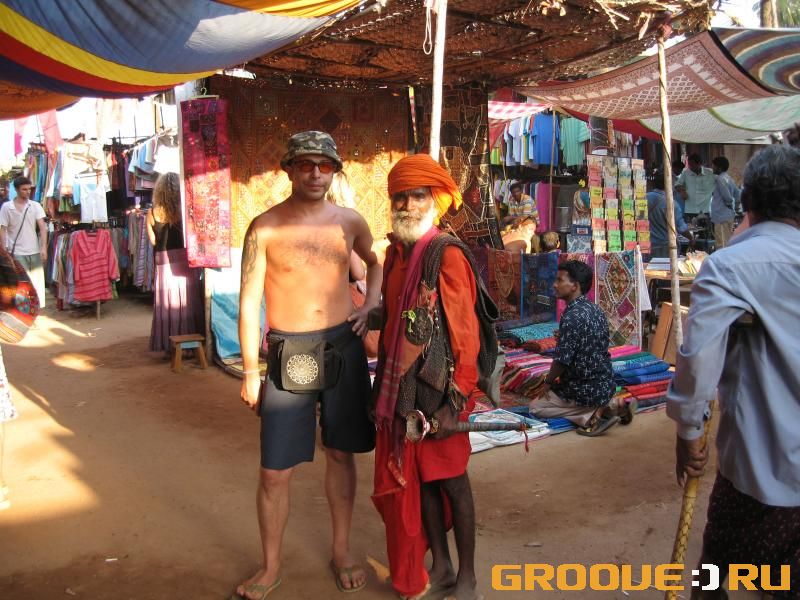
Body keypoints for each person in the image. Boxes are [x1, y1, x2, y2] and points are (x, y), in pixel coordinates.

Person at [236, 131, 380, 599]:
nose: (316, 174)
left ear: (335, 170)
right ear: (289, 170)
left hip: (343, 345)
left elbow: (375, 262)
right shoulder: (265, 228)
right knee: (275, 469)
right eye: (305, 164)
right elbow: (249, 302)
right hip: (292, 353)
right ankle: (270, 566)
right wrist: (250, 373)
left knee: (341, 452)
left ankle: (341, 552)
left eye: (325, 165)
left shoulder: (349, 222)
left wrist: (369, 305)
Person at [667, 144, 800, 598]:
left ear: (747, 202)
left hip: (761, 471)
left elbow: (698, 361)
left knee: (711, 575)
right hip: (770, 471)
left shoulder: (730, 266)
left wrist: (688, 432)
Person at [372, 154, 483, 600]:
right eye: (399, 196)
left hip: (441, 394)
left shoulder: (446, 254)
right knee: (424, 482)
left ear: (435, 199)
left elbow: (465, 334)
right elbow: (393, 321)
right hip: (405, 393)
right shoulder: (394, 254)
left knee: (452, 480)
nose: (407, 204)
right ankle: (442, 565)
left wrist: (458, 400)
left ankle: (468, 577)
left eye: (417, 195)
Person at [529, 260, 631, 436]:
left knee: (536, 408)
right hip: (605, 384)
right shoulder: (595, 309)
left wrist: (548, 382)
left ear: (574, 286)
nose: (554, 285)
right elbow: (590, 342)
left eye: (560, 280)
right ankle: (608, 404)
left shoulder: (571, 317)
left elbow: (561, 361)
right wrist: (565, 336)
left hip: (582, 390)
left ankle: (592, 415)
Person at [145, 172, 204, 353]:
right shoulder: (185, 210)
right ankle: (190, 342)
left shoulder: (152, 213)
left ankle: (167, 342)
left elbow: (153, 241)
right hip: (184, 259)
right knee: (187, 299)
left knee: (167, 301)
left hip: (163, 261)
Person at [0, 176, 48, 308]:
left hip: (34, 250)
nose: (27, 192)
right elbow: (3, 229)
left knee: (37, 282)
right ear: (16, 190)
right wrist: (4, 250)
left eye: (29, 189)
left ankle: (36, 308)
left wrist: (43, 248)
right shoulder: (7, 207)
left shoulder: (35, 206)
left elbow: (43, 228)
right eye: (24, 189)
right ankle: (24, 309)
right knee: (22, 283)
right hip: (17, 252)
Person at [647, 168, 694, 259]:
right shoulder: (672, 204)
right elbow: (681, 228)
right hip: (665, 246)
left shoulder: (644, 198)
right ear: (669, 184)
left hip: (646, 245)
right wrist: (691, 238)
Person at [709, 157, 739, 250]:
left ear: (720, 167)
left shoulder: (720, 179)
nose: (712, 168)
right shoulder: (729, 178)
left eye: (714, 166)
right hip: (728, 215)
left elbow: (727, 196)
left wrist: (729, 204)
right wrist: (736, 207)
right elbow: (737, 193)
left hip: (721, 216)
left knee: (721, 244)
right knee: (727, 242)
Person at [675, 153, 716, 219]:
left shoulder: (710, 173)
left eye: (692, 165)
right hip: (689, 210)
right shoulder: (686, 173)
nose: (690, 167)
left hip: (705, 210)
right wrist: (682, 190)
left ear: (699, 163)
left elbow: (721, 183)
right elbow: (677, 185)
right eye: (689, 165)